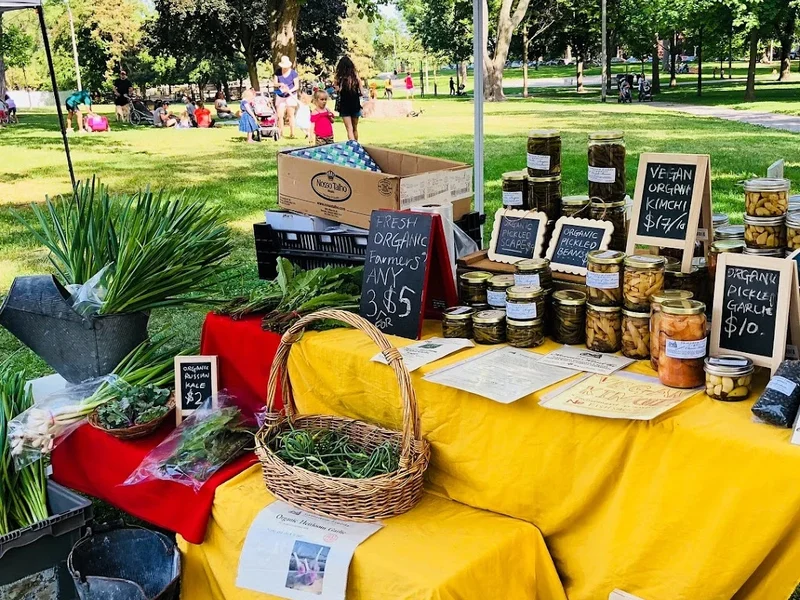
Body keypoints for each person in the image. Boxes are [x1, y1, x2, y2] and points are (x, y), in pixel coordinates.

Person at [335, 56, 362, 142]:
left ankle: (353, 146)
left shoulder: (338, 78)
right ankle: (356, 145)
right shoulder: (355, 77)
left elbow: (338, 90)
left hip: (344, 105)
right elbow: (361, 91)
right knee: (355, 128)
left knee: (349, 129)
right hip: (355, 104)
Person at [274, 55, 299, 138]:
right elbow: (274, 83)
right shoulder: (277, 72)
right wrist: (280, 84)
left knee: (290, 115)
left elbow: (296, 86)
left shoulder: (293, 73)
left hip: (290, 95)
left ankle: (292, 133)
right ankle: (280, 133)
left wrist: (289, 90)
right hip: (280, 95)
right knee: (280, 115)